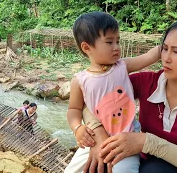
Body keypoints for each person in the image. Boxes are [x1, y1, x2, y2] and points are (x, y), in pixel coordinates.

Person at [81, 19, 177, 173]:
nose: (166, 58)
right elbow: (90, 100)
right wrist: (99, 134)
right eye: (165, 49)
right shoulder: (147, 83)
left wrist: (148, 142)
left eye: (176, 52)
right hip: (138, 162)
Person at [65, 11, 160, 173]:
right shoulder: (80, 81)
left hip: (126, 137)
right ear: (87, 47)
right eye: (109, 42)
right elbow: (74, 109)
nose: (116, 47)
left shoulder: (123, 67)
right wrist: (77, 128)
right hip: (94, 139)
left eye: (118, 41)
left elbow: (148, 57)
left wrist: (165, 47)